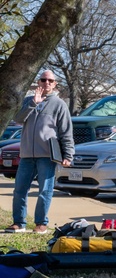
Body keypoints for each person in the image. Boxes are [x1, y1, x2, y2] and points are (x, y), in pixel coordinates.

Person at [4, 70, 73, 235]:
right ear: (38, 82)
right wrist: (33, 103)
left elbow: (66, 131)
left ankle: (41, 223)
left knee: (44, 190)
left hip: (47, 156)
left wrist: (68, 155)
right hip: (27, 155)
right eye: (43, 80)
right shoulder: (28, 101)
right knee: (20, 189)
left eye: (50, 80)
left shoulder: (59, 104)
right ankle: (19, 223)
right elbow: (18, 119)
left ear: (55, 84)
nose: (46, 83)